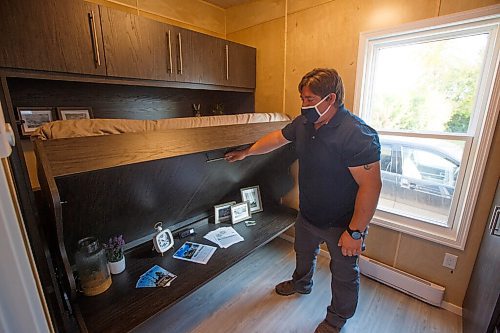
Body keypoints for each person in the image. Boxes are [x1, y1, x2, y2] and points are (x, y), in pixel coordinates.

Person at [225, 68, 382, 333]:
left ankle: (336, 319)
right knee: (303, 254)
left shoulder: (357, 134)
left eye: (309, 99)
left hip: (342, 223)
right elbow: (277, 138)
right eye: (302, 98)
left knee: (344, 275)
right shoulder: (303, 123)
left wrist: (355, 232)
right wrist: (248, 153)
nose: (303, 104)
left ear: (330, 99)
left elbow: (371, 185)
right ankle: (301, 283)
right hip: (308, 214)